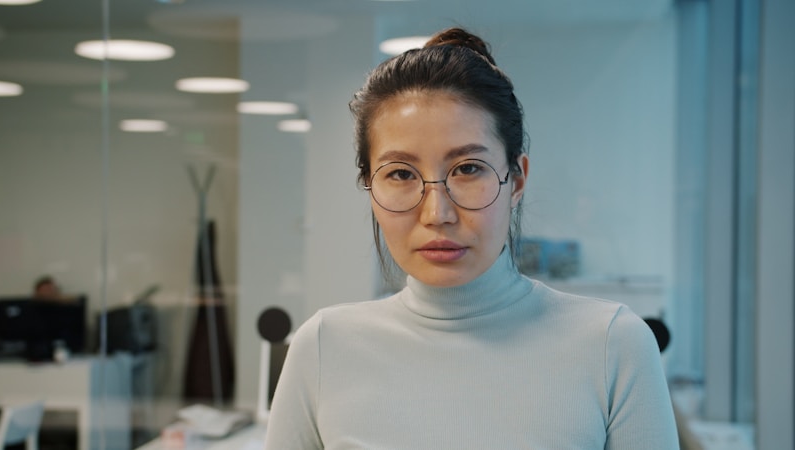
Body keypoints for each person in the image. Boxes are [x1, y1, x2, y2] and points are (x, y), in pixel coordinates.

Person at [265, 27, 679, 449]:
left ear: (516, 180)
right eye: (401, 175)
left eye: (467, 169)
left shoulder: (613, 346)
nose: (437, 214)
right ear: (370, 187)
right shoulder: (323, 348)